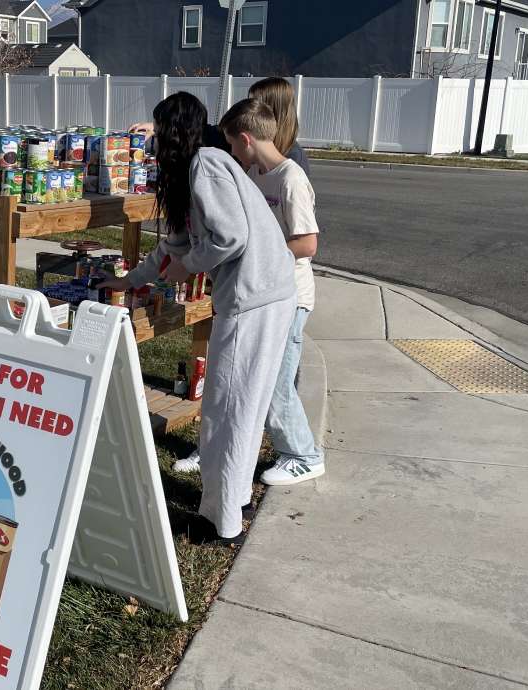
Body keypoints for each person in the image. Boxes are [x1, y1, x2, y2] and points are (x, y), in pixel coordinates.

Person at [100, 92, 295, 546]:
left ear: (173, 132)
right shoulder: (201, 169)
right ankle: (234, 500)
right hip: (267, 295)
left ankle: (219, 523)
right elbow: (175, 248)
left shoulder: (205, 163)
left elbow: (229, 238)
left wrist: (192, 266)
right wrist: (131, 282)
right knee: (240, 408)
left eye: (157, 132)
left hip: (255, 300)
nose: (152, 144)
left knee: (227, 409)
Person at [219, 98, 324, 485]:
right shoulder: (258, 175)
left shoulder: (290, 178)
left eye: (233, 145)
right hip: (267, 293)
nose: (232, 153)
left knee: (277, 381)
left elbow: (307, 244)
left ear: (246, 139)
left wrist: (262, 253)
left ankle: (303, 455)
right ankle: (292, 448)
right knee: (265, 378)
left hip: (292, 297)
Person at [129, 76, 311, 176]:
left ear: (274, 111)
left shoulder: (293, 162)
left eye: (255, 102)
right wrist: (157, 127)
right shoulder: (233, 139)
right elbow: (200, 130)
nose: (250, 107)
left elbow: (305, 241)